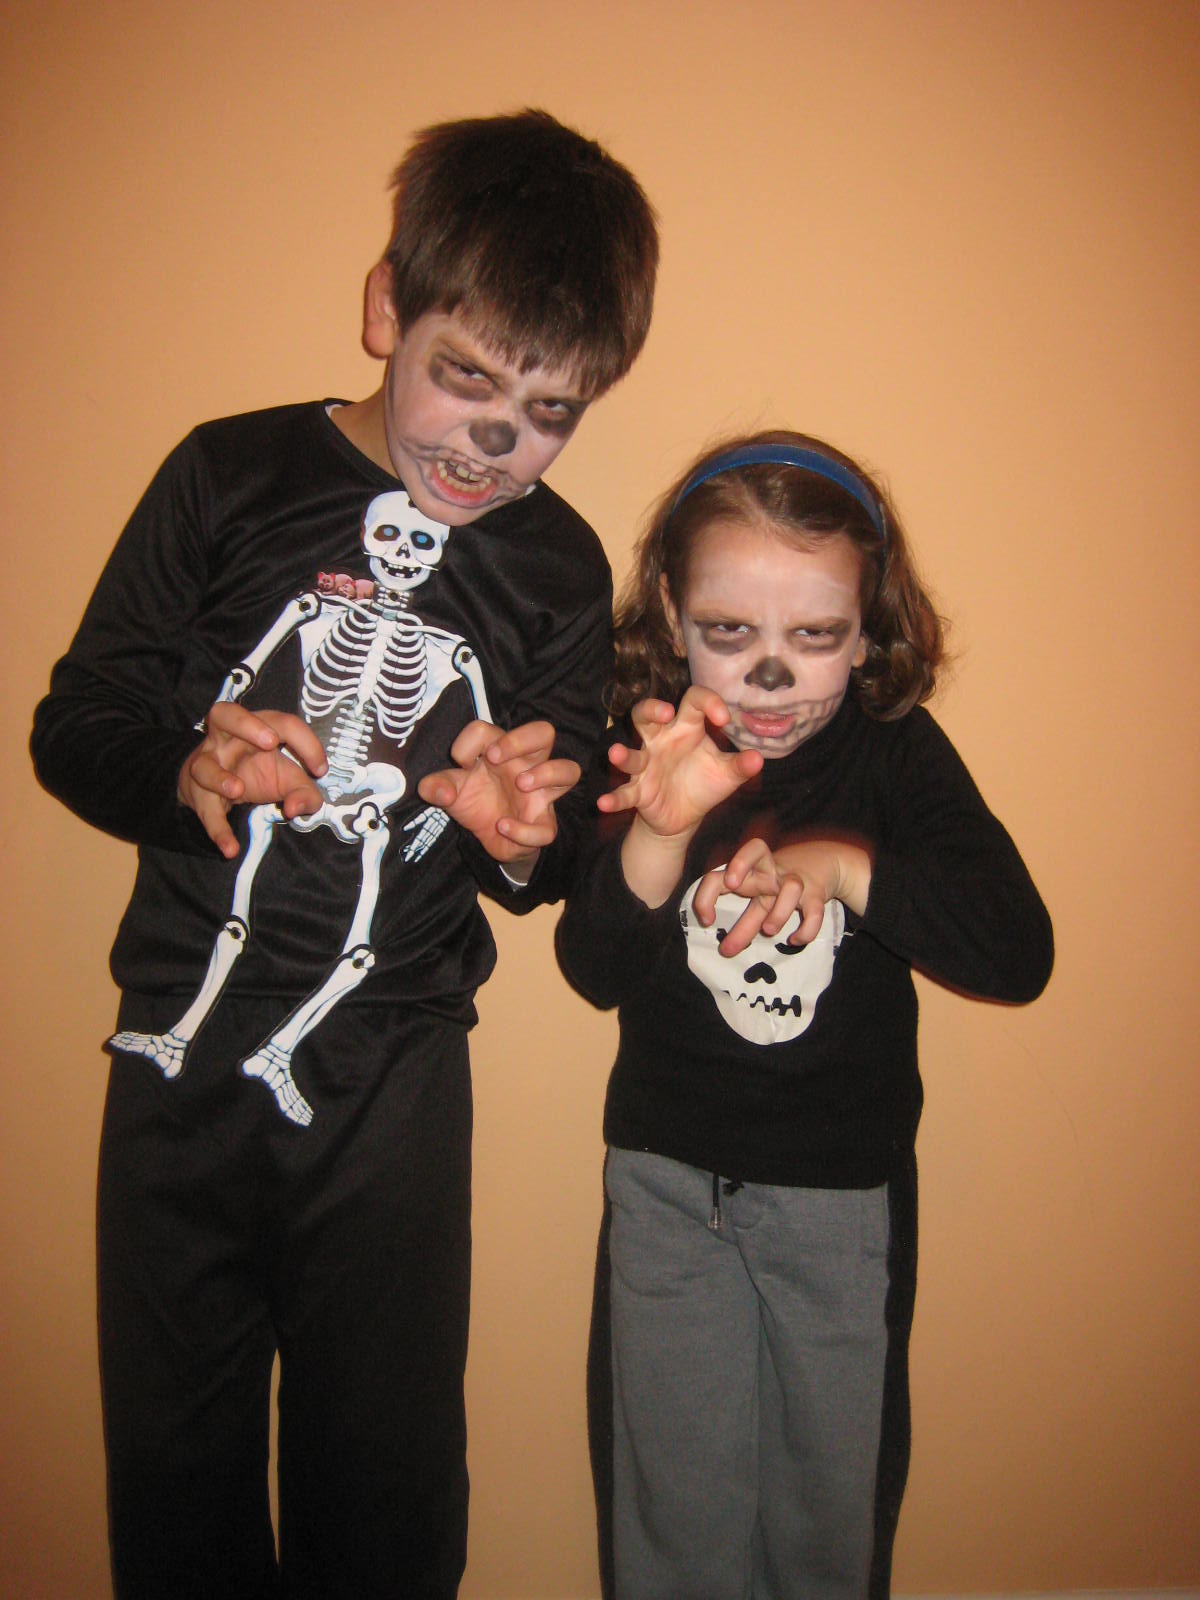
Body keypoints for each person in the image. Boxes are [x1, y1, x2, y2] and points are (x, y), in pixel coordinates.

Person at [30, 109, 657, 1599]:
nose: (494, 445)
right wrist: (181, 767)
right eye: (466, 377)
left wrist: (524, 835)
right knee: (175, 1470)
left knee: (384, 1475)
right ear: (388, 309)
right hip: (179, 1050)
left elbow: (556, 853)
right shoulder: (228, 474)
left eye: (551, 412)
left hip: (393, 1073)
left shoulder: (558, 566)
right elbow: (79, 721)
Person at [555, 431, 1054, 1600]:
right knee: (672, 1510)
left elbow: (1016, 949)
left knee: (827, 1516)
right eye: (730, 632)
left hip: (840, 1203)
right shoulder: (656, 747)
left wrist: (843, 866)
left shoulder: (894, 754)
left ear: (870, 627)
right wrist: (663, 829)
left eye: (816, 636)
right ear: (672, 614)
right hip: (668, 1189)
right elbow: (594, 966)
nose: (771, 675)